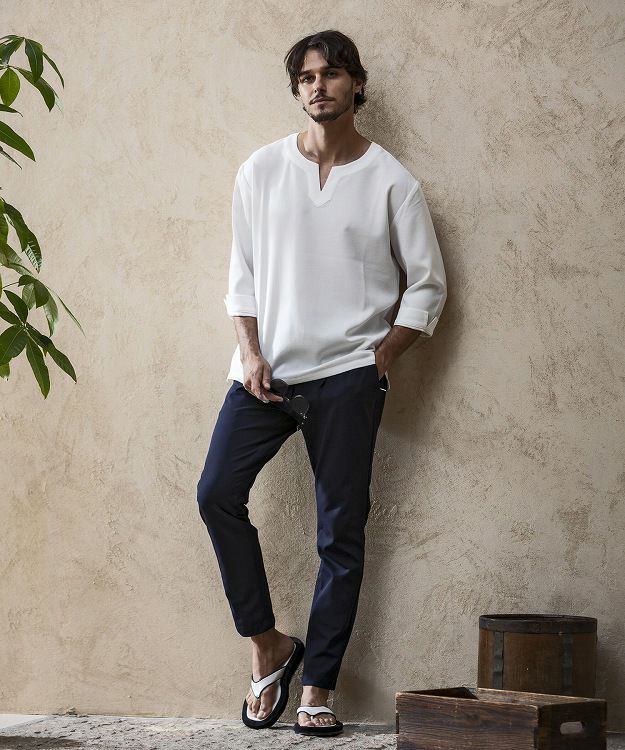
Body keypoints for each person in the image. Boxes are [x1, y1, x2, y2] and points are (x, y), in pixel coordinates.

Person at [196, 29, 448, 738]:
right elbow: (242, 275)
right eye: (307, 76)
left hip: (346, 379)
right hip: (264, 376)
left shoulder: (392, 181)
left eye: (332, 74)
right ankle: (267, 645)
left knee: (340, 534)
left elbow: (427, 287)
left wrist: (382, 356)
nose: (319, 86)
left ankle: (317, 687)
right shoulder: (261, 170)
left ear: (356, 85)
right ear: (297, 90)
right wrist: (249, 353)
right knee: (215, 494)